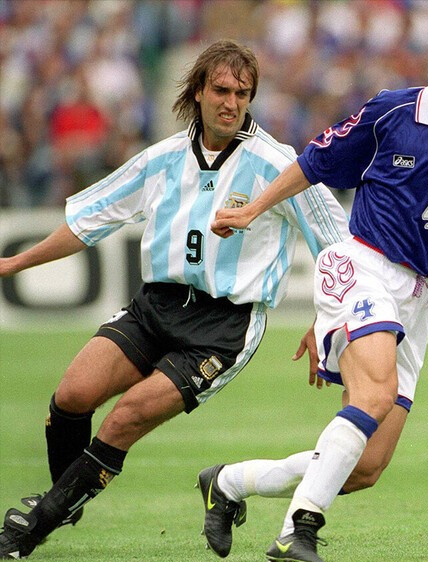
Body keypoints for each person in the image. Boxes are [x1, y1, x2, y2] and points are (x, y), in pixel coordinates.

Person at [0, 39, 350, 560]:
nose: (232, 103)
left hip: (223, 326)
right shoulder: (162, 158)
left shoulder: (277, 163)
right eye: (222, 90)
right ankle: (65, 498)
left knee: (125, 418)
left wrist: (328, 318)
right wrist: (14, 263)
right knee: (72, 396)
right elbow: (87, 220)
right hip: (156, 305)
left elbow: (336, 240)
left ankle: (28, 530)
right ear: (199, 91)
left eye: (243, 94)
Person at [202, 24, 428, 562]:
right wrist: (252, 210)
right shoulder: (392, 113)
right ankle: (298, 530)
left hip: (417, 296)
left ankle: (228, 483)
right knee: (375, 396)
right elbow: (313, 164)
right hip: (360, 264)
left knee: (364, 467)